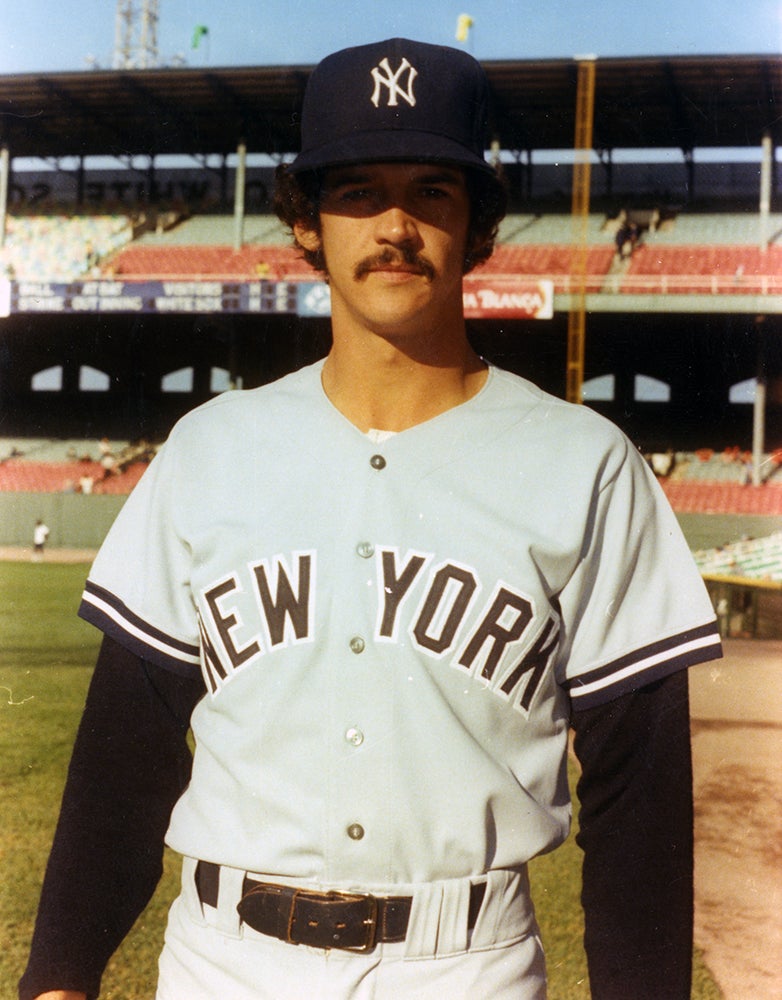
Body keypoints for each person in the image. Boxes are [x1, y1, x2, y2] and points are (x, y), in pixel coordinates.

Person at [21, 38, 722, 1000]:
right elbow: (125, 748)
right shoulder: (208, 448)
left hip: (466, 964)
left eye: (433, 190)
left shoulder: (587, 465)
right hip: (224, 960)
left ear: (478, 226)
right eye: (356, 191)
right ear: (306, 223)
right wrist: (60, 974)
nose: (394, 224)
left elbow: (637, 786)